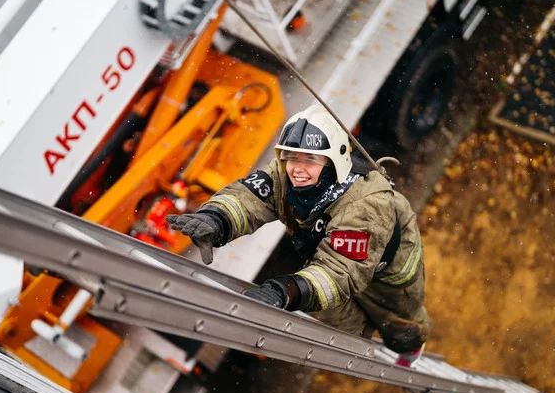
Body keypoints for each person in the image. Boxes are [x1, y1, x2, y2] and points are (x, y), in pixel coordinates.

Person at [166, 105, 430, 367]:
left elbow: (340, 272)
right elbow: (248, 199)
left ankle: (410, 347)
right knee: (335, 320)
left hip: (389, 268)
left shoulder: (366, 204)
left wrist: (284, 292)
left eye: (310, 160)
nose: (297, 169)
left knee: (401, 324)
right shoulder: (284, 174)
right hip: (335, 258)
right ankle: (360, 339)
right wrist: (215, 219)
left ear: (333, 162)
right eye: (293, 157)